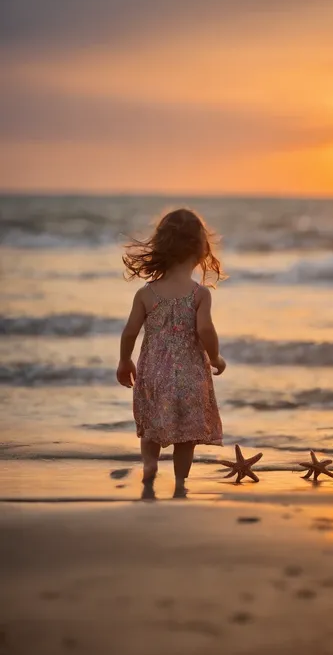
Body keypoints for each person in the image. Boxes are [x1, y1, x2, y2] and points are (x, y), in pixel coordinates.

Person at [116, 208, 226, 496]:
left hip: (153, 372)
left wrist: (125, 360)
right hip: (189, 374)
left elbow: (129, 331)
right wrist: (215, 358)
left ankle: (150, 465)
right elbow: (205, 331)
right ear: (201, 250)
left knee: (152, 426)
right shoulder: (199, 294)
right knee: (186, 434)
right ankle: (180, 481)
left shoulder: (146, 294)